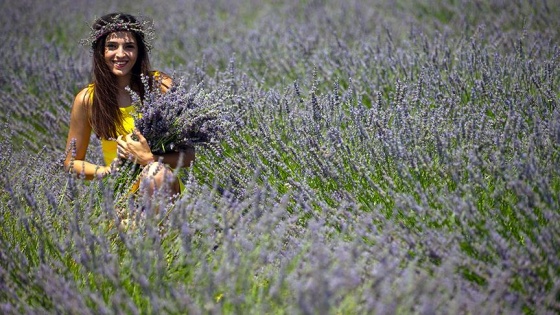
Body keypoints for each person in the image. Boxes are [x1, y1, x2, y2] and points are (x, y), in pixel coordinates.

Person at [63, 12, 195, 197]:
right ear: (101, 51)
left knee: (154, 172)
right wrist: (108, 172)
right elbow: (71, 163)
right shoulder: (88, 99)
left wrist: (150, 159)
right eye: (112, 46)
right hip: (121, 195)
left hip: (164, 189)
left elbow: (189, 156)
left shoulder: (160, 86)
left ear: (139, 51)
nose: (120, 54)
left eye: (129, 46)